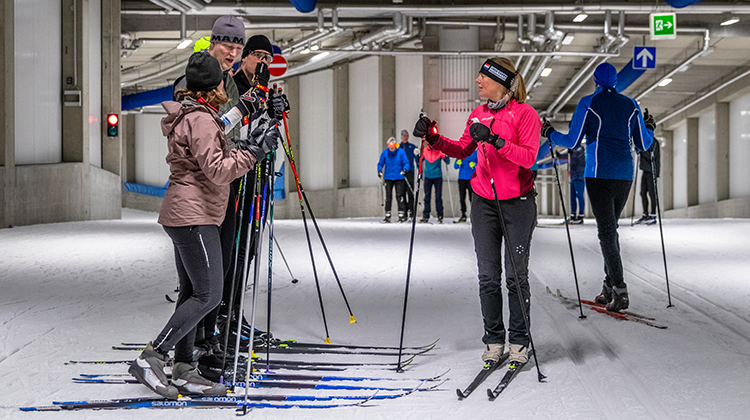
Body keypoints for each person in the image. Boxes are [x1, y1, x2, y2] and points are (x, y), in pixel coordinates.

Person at [128, 51, 280, 399]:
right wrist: (254, 153)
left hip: (187, 214)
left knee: (191, 292)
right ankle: (153, 356)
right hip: (194, 217)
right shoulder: (201, 120)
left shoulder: (194, 114)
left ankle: (183, 368)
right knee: (210, 293)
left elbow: (218, 129)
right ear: (213, 88)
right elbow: (219, 169)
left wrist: (247, 108)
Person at [413, 57, 541, 365]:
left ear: (499, 81)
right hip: (484, 202)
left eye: (483, 77)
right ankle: (494, 341)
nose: (478, 82)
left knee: (515, 276)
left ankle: (519, 342)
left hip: (518, 203)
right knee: (487, 276)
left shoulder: (525, 114)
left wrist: (496, 140)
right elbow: (461, 149)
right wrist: (432, 137)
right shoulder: (478, 114)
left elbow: (528, 158)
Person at [542, 62, 654, 312]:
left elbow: (572, 141)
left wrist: (549, 133)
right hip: (625, 175)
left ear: (595, 82)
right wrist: (649, 127)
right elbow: (644, 144)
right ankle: (608, 287)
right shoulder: (631, 104)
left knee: (606, 232)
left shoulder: (588, 102)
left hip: (599, 174)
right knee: (610, 230)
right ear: (615, 83)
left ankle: (620, 288)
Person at [377, 137, 410, 223]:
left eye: (393, 148)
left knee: (399, 196)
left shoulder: (401, 152)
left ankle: (401, 214)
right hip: (388, 177)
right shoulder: (385, 152)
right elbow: (380, 163)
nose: (391, 149)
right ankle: (387, 215)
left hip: (399, 177)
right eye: (390, 148)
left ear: (395, 146)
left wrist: (405, 169)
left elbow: (406, 162)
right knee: (388, 196)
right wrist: (379, 170)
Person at [419, 144, 449, 224]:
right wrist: (417, 155)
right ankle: (426, 216)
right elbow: (419, 162)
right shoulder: (425, 150)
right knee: (427, 197)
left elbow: (447, 162)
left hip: (437, 176)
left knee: (438, 197)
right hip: (428, 176)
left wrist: (446, 155)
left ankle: (440, 215)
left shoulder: (439, 151)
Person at [635, 136, 660, 225]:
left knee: (652, 193)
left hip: (652, 171)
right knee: (642, 192)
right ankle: (645, 214)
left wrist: (641, 151)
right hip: (645, 171)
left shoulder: (654, 142)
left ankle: (653, 215)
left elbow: (651, 157)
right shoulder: (645, 142)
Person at [453, 150, 478, 223]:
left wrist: (474, 164)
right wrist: (458, 162)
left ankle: (474, 214)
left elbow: (479, 164)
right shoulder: (461, 153)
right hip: (462, 178)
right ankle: (463, 214)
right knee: (462, 197)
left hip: (471, 178)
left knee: (472, 197)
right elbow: (455, 166)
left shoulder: (475, 153)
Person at [400, 129, 419, 218]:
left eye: (407, 136)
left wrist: (417, 154)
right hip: (400, 173)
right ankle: (404, 211)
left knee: (410, 192)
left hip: (410, 171)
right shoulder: (398, 147)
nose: (405, 137)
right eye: (404, 136)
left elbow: (417, 159)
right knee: (401, 193)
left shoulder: (411, 147)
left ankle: (411, 211)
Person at [567, 143, 586, 224]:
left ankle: (581, 215)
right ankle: (573, 214)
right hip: (573, 176)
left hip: (579, 177)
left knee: (580, 196)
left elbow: (577, 156)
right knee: (572, 197)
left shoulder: (580, 149)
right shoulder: (573, 150)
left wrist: (571, 152)